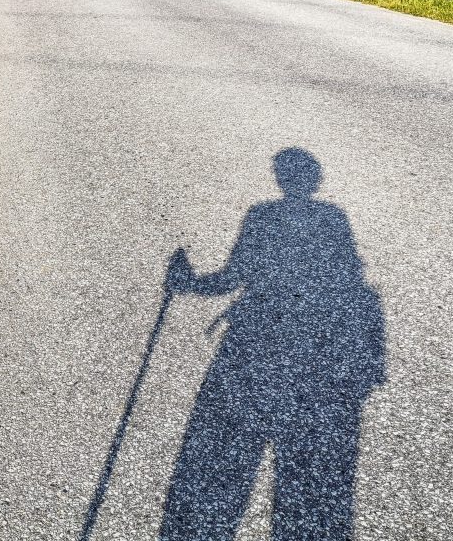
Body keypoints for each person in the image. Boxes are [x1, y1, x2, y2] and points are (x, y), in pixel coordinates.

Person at [161, 148, 385, 541]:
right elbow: (352, 285)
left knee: (223, 458)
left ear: (280, 178)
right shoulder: (333, 218)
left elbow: (232, 278)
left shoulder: (263, 215)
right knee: (309, 480)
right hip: (318, 348)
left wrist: (186, 282)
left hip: (255, 344)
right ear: (315, 180)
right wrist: (363, 361)